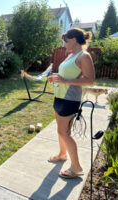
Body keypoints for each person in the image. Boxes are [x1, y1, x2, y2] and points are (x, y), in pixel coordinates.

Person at [47, 28, 95, 178]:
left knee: (64, 132)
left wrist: (65, 80)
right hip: (59, 95)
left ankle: (76, 167)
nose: (64, 43)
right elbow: (65, 74)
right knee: (60, 130)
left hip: (70, 98)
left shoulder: (84, 56)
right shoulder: (71, 55)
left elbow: (90, 79)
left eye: (65, 40)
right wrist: (56, 77)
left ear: (74, 39)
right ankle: (62, 154)